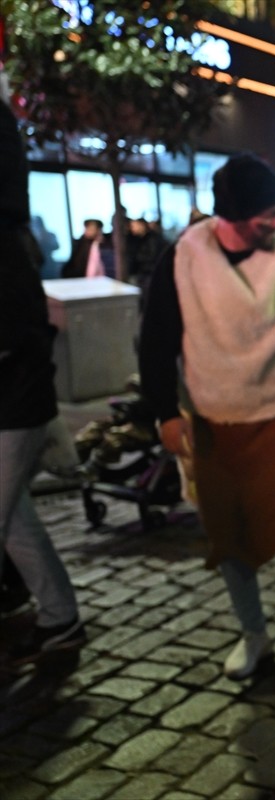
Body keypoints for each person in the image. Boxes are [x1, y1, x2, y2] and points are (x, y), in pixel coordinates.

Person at [138, 153, 275, 680]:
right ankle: (253, 634)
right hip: (212, 417)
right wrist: (166, 412)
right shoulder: (182, 258)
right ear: (232, 213)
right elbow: (156, 339)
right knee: (228, 535)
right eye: (265, 215)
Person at [1, 96, 87, 665]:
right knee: (12, 518)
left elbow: (21, 333)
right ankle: (60, 619)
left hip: (15, 402)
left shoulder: (7, 253)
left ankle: (60, 619)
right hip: (15, 399)